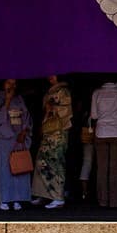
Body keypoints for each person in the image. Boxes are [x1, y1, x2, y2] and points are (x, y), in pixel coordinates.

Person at [0, 78, 33, 211]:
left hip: (18, 136)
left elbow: (26, 116)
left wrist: (25, 131)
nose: (11, 86)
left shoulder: (19, 99)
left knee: (19, 167)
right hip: (5, 137)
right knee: (5, 168)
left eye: (14, 84)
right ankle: (5, 199)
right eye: (9, 83)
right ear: (3, 83)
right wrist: (7, 101)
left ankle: (17, 199)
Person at [89, 81, 117, 209]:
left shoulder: (96, 93)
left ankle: (102, 200)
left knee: (101, 169)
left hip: (101, 132)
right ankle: (114, 202)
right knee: (115, 168)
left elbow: (94, 115)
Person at [31, 76, 73, 209]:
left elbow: (66, 111)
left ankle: (57, 196)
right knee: (41, 162)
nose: (50, 76)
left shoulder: (63, 91)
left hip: (58, 132)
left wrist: (52, 108)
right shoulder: (51, 91)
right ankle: (44, 193)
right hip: (48, 132)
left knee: (55, 163)